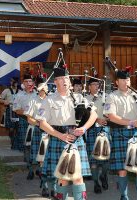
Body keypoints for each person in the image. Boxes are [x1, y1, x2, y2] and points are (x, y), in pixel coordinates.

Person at [37, 63, 97, 200]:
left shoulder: (79, 98)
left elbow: (93, 115)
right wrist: (61, 136)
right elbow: (42, 123)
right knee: (62, 177)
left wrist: (84, 128)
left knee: (78, 176)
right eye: (62, 79)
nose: (65, 81)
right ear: (56, 81)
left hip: (77, 140)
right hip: (59, 138)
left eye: (67, 78)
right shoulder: (49, 100)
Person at [104, 70, 137, 200]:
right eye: (123, 80)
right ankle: (124, 196)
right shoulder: (112, 96)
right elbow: (111, 116)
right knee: (122, 169)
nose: (126, 82)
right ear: (117, 82)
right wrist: (132, 122)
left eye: (127, 80)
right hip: (120, 132)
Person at [24, 82, 52, 197]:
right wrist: (39, 123)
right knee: (42, 160)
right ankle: (44, 186)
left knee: (51, 159)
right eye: (41, 87)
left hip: (52, 132)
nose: (43, 89)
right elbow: (29, 118)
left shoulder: (52, 99)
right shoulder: (32, 100)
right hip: (39, 131)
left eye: (45, 87)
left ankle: (54, 186)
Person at [85, 77, 110, 194]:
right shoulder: (85, 100)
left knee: (106, 158)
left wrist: (107, 118)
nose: (96, 86)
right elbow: (85, 117)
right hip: (92, 131)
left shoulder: (105, 97)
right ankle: (96, 183)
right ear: (89, 87)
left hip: (105, 130)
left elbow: (110, 112)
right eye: (93, 85)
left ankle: (103, 175)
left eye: (97, 84)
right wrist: (97, 121)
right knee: (93, 160)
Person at [13, 74, 37, 167]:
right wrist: (28, 113)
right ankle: (28, 161)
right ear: (23, 83)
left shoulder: (37, 94)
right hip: (24, 120)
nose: (28, 83)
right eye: (26, 81)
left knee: (35, 140)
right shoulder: (19, 95)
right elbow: (16, 109)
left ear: (33, 83)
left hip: (36, 121)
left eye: (30, 81)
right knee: (26, 142)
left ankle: (35, 160)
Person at [0, 77, 20, 149]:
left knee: (17, 127)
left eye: (14, 82)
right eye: (12, 82)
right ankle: (12, 142)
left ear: (17, 83)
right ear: (10, 82)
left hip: (18, 111)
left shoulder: (20, 91)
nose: (13, 83)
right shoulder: (6, 91)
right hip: (10, 110)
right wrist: (4, 101)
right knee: (11, 128)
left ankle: (16, 143)